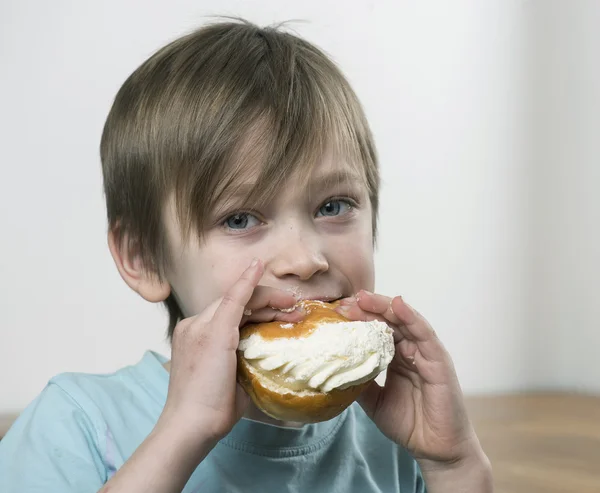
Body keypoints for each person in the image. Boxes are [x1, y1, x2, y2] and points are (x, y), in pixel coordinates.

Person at [0, 19, 493, 492]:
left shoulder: (392, 434)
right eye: (240, 219)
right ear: (144, 257)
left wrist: (452, 462)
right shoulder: (76, 424)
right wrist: (181, 435)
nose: (304, 259)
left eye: (333, 206)